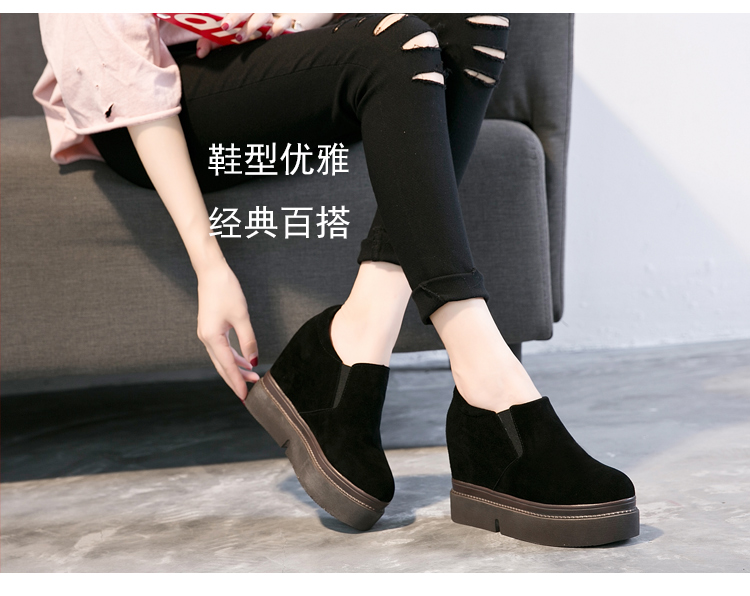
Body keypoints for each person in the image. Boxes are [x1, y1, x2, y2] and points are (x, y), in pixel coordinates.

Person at [34, 12, 639, 547]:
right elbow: (122, 76)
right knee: (395, 46)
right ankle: (489, 380)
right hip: (142, 110)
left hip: (256, 54)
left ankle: (353, 343)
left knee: (468, 24)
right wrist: (209, 267)